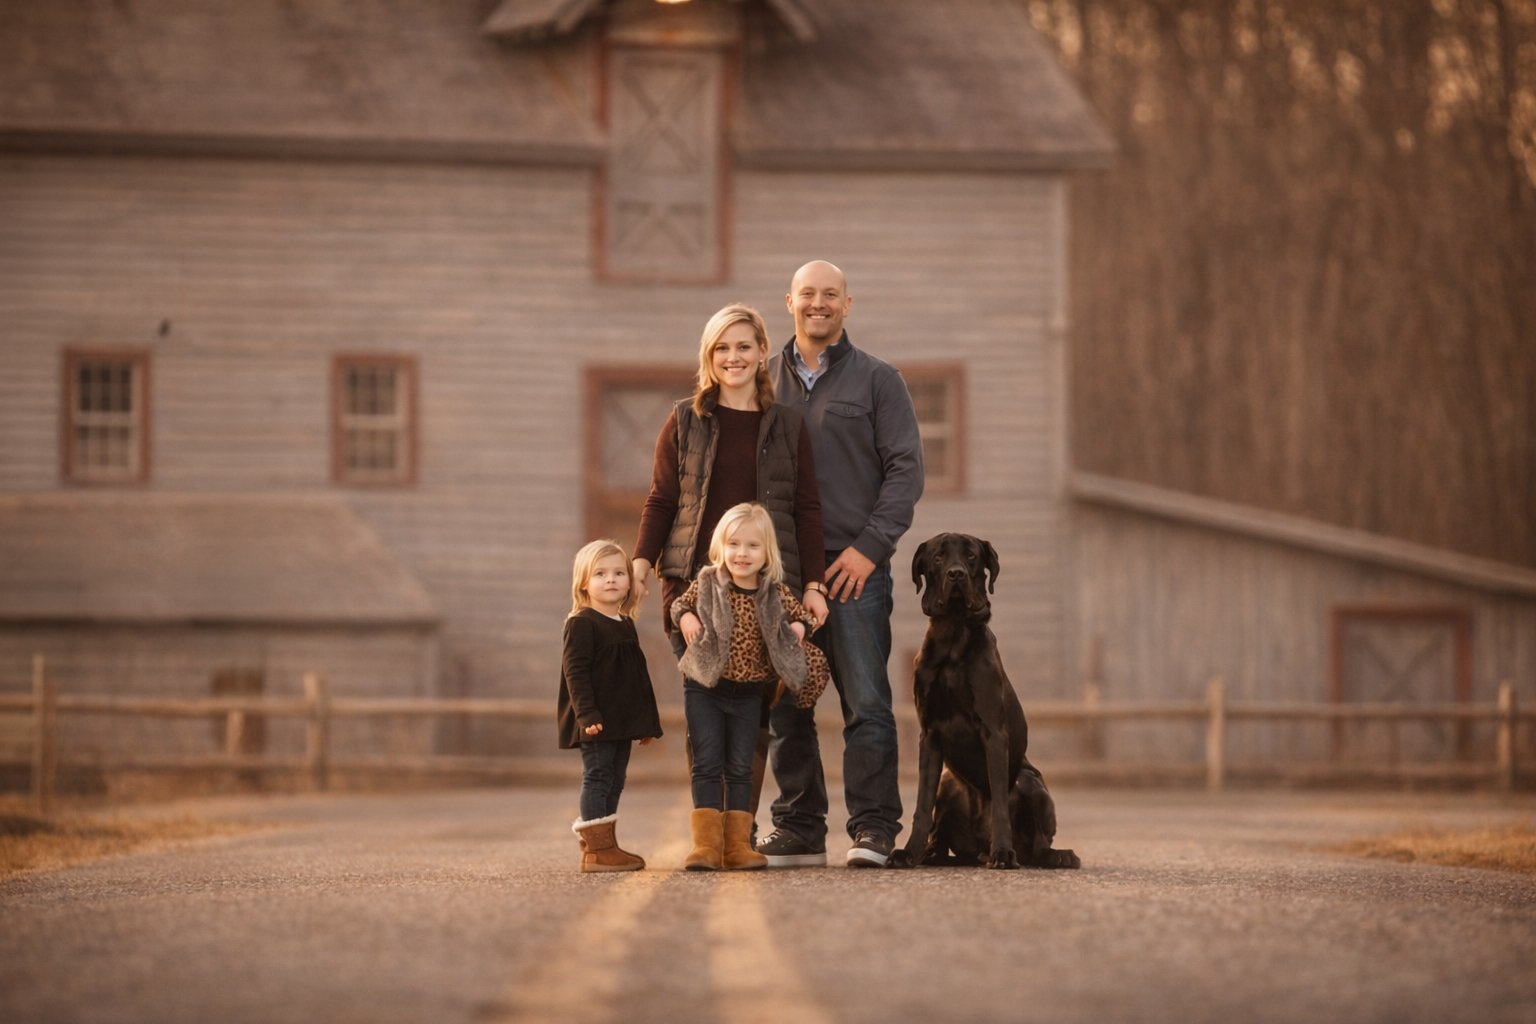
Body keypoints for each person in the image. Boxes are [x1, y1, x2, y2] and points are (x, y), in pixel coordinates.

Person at [631, 303, 830, 813]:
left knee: (760, 720)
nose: (733, 357)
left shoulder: (787, 425)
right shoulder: (684, 421)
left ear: (763, 352)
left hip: (764, 594)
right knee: (707, 716)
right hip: (695, 592)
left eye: (744, 346)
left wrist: (813, 586)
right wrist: (639, 564)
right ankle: (708, 829)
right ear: (709, 355)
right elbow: (661, 500)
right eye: (722, 347)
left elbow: (806, 509)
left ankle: (747, 832)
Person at [758, 259, 925, 869]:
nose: (818, 303)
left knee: (868, 704)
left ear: (847, 305)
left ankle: (874, 828)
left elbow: (906, 471)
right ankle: (799, 828)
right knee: (785, 703)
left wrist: (869, 547)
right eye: (808, 294)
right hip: (779, 574)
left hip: (855, 570)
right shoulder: (759, 378)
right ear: (789, 302)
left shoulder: (881, 381)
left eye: (831, 295)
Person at [671, 503, 830, 871]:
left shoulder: (772, 592)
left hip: (747, 693)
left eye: (752, 547)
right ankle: (707, 846)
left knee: (741, 765)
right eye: (734, 544)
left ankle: (737, 846)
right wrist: (689, 618)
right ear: (721, 547)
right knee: (707, 762)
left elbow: (803, 615)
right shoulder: (709, 581)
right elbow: (680, 605)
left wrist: (800, 628)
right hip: (705, 686)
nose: (742, 554)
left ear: (767, 553)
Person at [557, 539, 663, 873]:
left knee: (616, 778)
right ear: (584, 583)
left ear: (630, 581)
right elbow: (575, 673)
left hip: (621, 720)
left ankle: (604, 846)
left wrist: (644, 723)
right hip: (596, 719)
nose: (611, 579)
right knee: (598, 776)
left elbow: (636, 680)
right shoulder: (582, 623)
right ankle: (597, 850)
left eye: (619, 572)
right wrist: (586, 714)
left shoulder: (625, 623)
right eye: (600, 573)